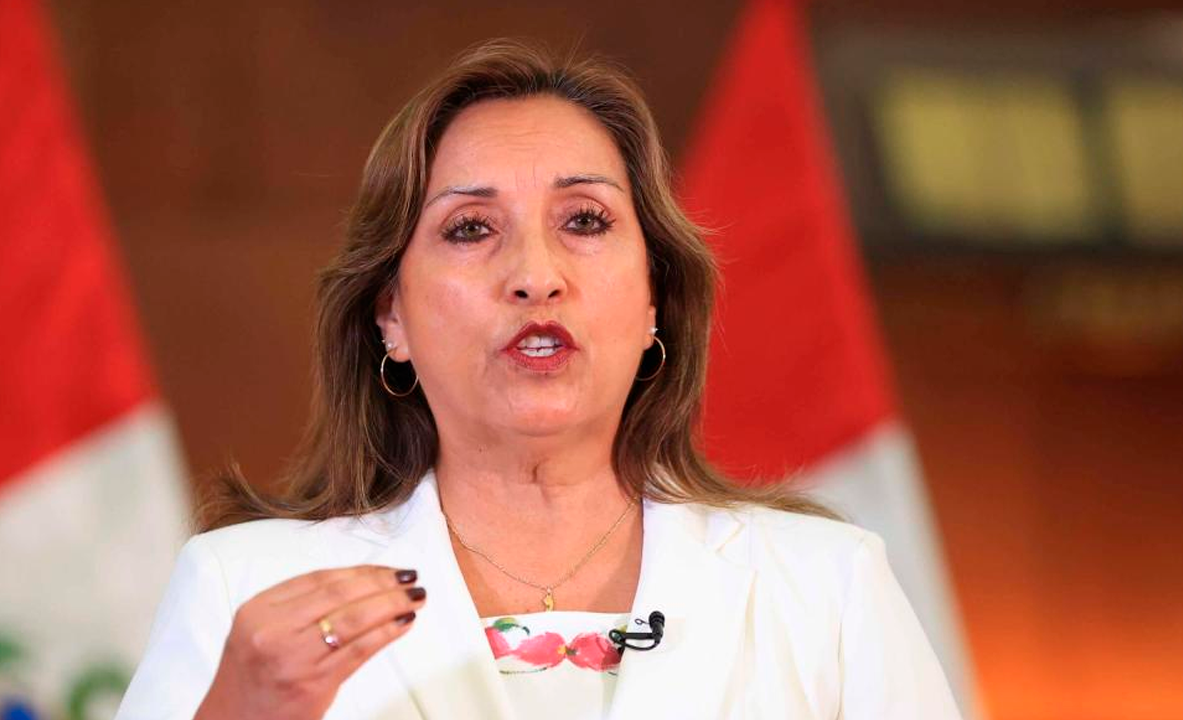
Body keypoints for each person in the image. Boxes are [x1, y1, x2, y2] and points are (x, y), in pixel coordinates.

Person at [114, 39, 962, 720]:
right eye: (470, 228)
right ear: (390, 315)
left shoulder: (824, 587)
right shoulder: (245, 587)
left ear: (656, 298)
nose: (534, 276)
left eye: (584, 221)